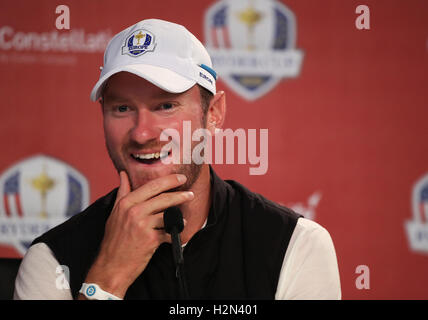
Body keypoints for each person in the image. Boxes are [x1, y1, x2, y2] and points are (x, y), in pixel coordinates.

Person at [14, 19, 341, 300]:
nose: (142, 133)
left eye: (165, 106)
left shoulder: (294, 245)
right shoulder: (51, 259)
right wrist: (106, 280)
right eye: (122, 108)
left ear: (213, 113)